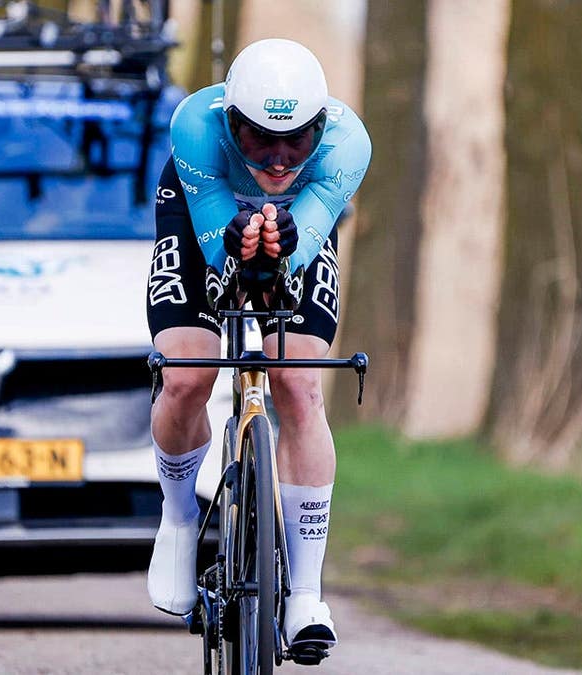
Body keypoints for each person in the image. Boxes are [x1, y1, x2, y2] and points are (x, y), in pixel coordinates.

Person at [145, 38, 371, 652]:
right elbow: (220, 255)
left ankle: (303, 595)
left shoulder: (349, 146)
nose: (276, 161)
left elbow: (299, 249)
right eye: (258, 141)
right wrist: (237, 240)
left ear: (320, 129)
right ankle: (180, 518)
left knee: (298, 385)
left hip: (298, 223)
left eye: (295, 142)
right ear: (230, 125)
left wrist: (284, 246)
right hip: (201, 220)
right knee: (187, 376)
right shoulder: (195, 125)